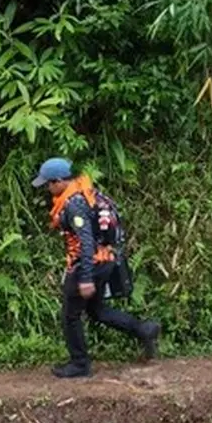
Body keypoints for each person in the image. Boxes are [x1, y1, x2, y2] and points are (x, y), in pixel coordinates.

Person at [34, 157, 161, 378]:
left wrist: (85, 277)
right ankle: (144, 330)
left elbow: (86, 241)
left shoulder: (74, 205)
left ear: (59, 181)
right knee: (96, 310)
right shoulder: (85, 194)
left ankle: (80, 364)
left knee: (70, 315)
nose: (47, 188)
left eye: (48, 183)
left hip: (89, 263)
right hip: (104, 260)